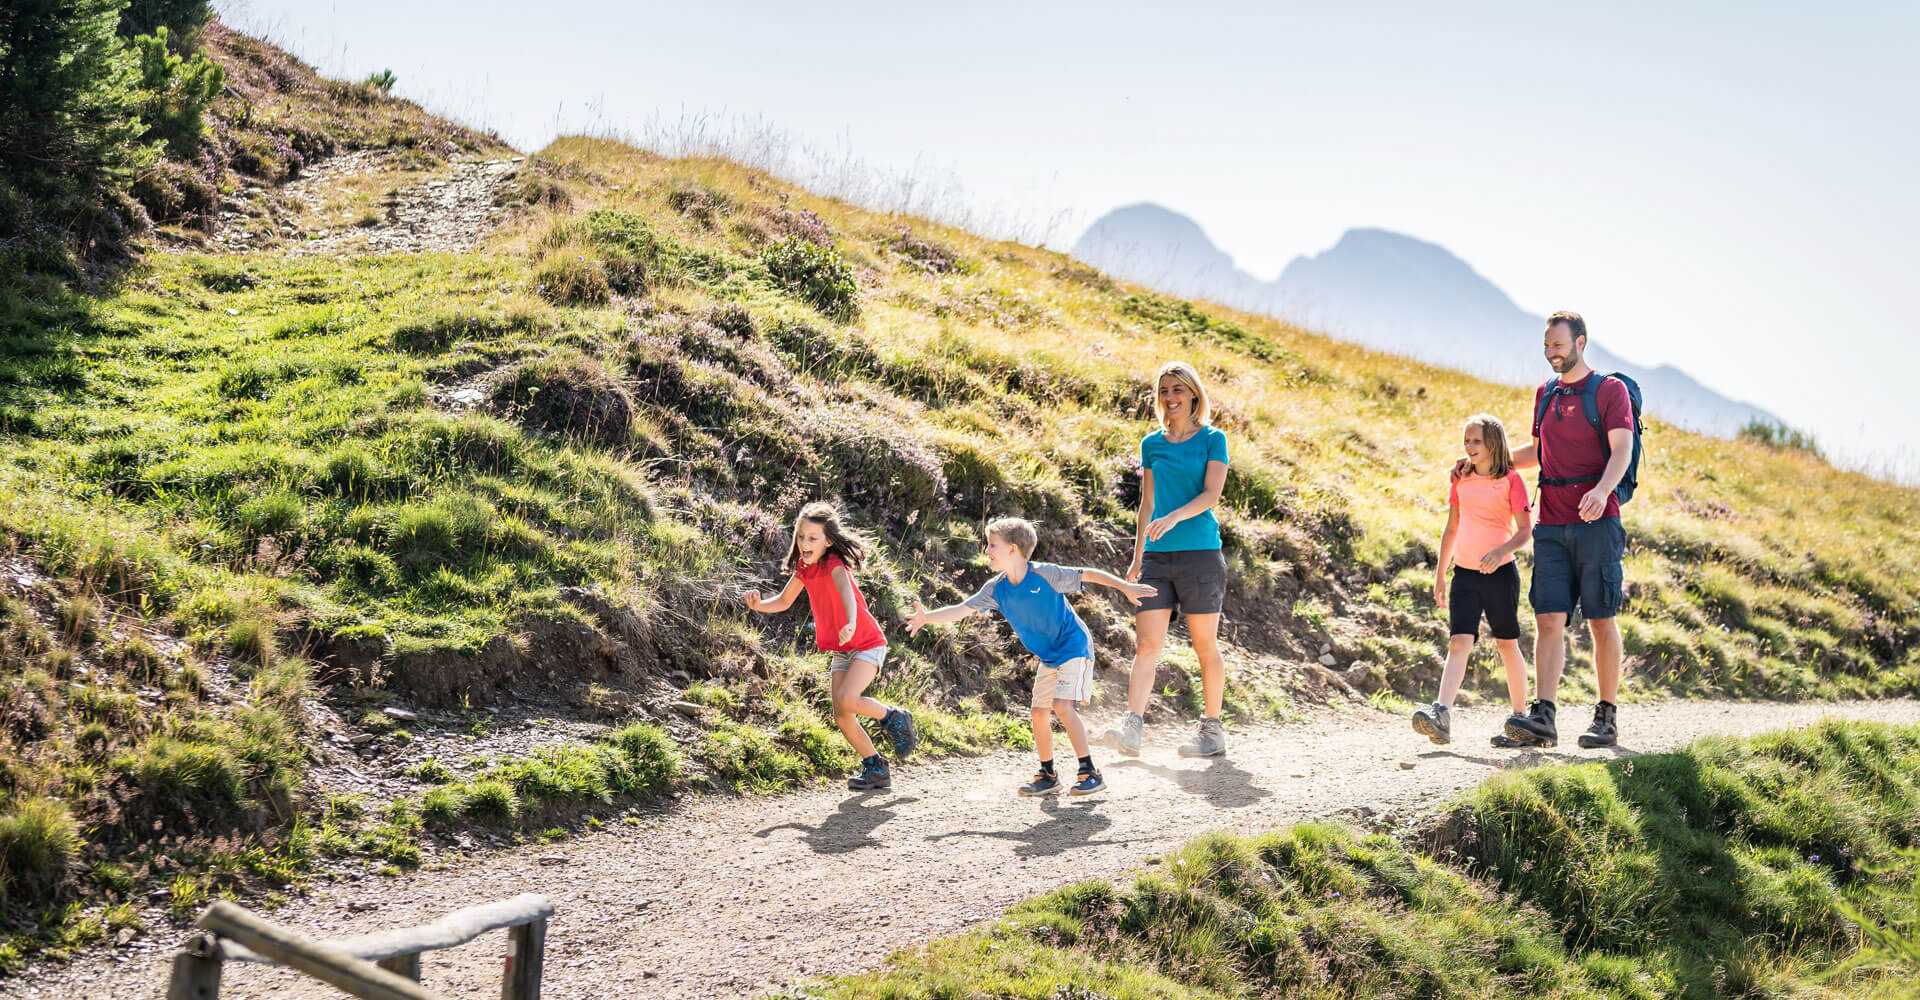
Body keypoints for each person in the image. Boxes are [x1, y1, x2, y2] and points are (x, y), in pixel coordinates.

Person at [1456, 311, 1633, 748]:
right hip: (1552, 523)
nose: (1551, 353)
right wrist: (1483, 464)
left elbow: (1622, 449)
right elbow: (1537, 450)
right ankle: (1544, 716)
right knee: (1548, 616)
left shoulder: (1610, 391)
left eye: (1558, 345)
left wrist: (1602, 489)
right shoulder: (1546, 394)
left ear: (1581, 343)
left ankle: (1606, 716)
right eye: (1547, 346)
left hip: (1598, 521)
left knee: (1600, 618)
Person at [906, 517, 1156, 796]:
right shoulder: (995, 588)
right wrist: (926, 618)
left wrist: (1126, 587)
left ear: (1013, 549)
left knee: (1062, 705)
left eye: (992, 545)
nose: (986, 550)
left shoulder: (1045, 574)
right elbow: (963, 609)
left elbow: (1087, 574)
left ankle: (1090, 771)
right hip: (1049, 657)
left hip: (1073, 646)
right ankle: (1048, 774)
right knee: (1038, 712)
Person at [1099, 361, 1232, 758]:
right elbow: (1146, 504)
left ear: (1193, 394)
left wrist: (1173, 518)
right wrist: (1137, 557)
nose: (1170, 397)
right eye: (1164, 391)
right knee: (1146, 644)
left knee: (1204, 645)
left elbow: (1212, 494)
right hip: (1157, 558)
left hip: (1201, 555)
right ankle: (1132, 728)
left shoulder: (1213, 438)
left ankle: (1212, 730)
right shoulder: (1151, 444)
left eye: (1178, 390)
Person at [744, 502, 918, 790]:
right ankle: (875, 766)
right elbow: (785, 601)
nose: (804, 543)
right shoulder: (804, 568)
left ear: (828, 541)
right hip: (842, 649)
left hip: (866, 642)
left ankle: (894, 717)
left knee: (850, 699)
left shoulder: (834, 565)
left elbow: (847, 592)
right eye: (801, 536)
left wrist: (850, 621)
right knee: (841, 713)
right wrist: (759, 605)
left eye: (812, 538)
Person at [1414, 414, 1534, 747]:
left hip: (1501, 575)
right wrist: (1440, 574)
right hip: (1463, 576)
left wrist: (1501, 551)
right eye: (1466, 440)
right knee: (1458, 643)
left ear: (1494, 443)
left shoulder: (1512, 480)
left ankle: (1521, 719)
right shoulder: (1461, 479)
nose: (1469, 446)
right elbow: (1451, 529)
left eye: (1476, 440)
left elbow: (1525, 531)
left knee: (1507, 644)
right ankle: (1441, 715)